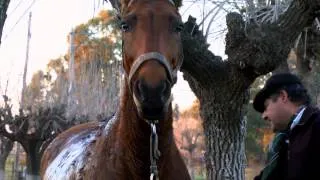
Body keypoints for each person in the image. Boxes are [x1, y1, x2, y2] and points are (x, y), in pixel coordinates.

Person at [252, 73, 320, 180]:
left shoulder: (316, 126)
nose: (264, 116)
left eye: (266, 107)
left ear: (283, 96)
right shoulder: (283, 141)